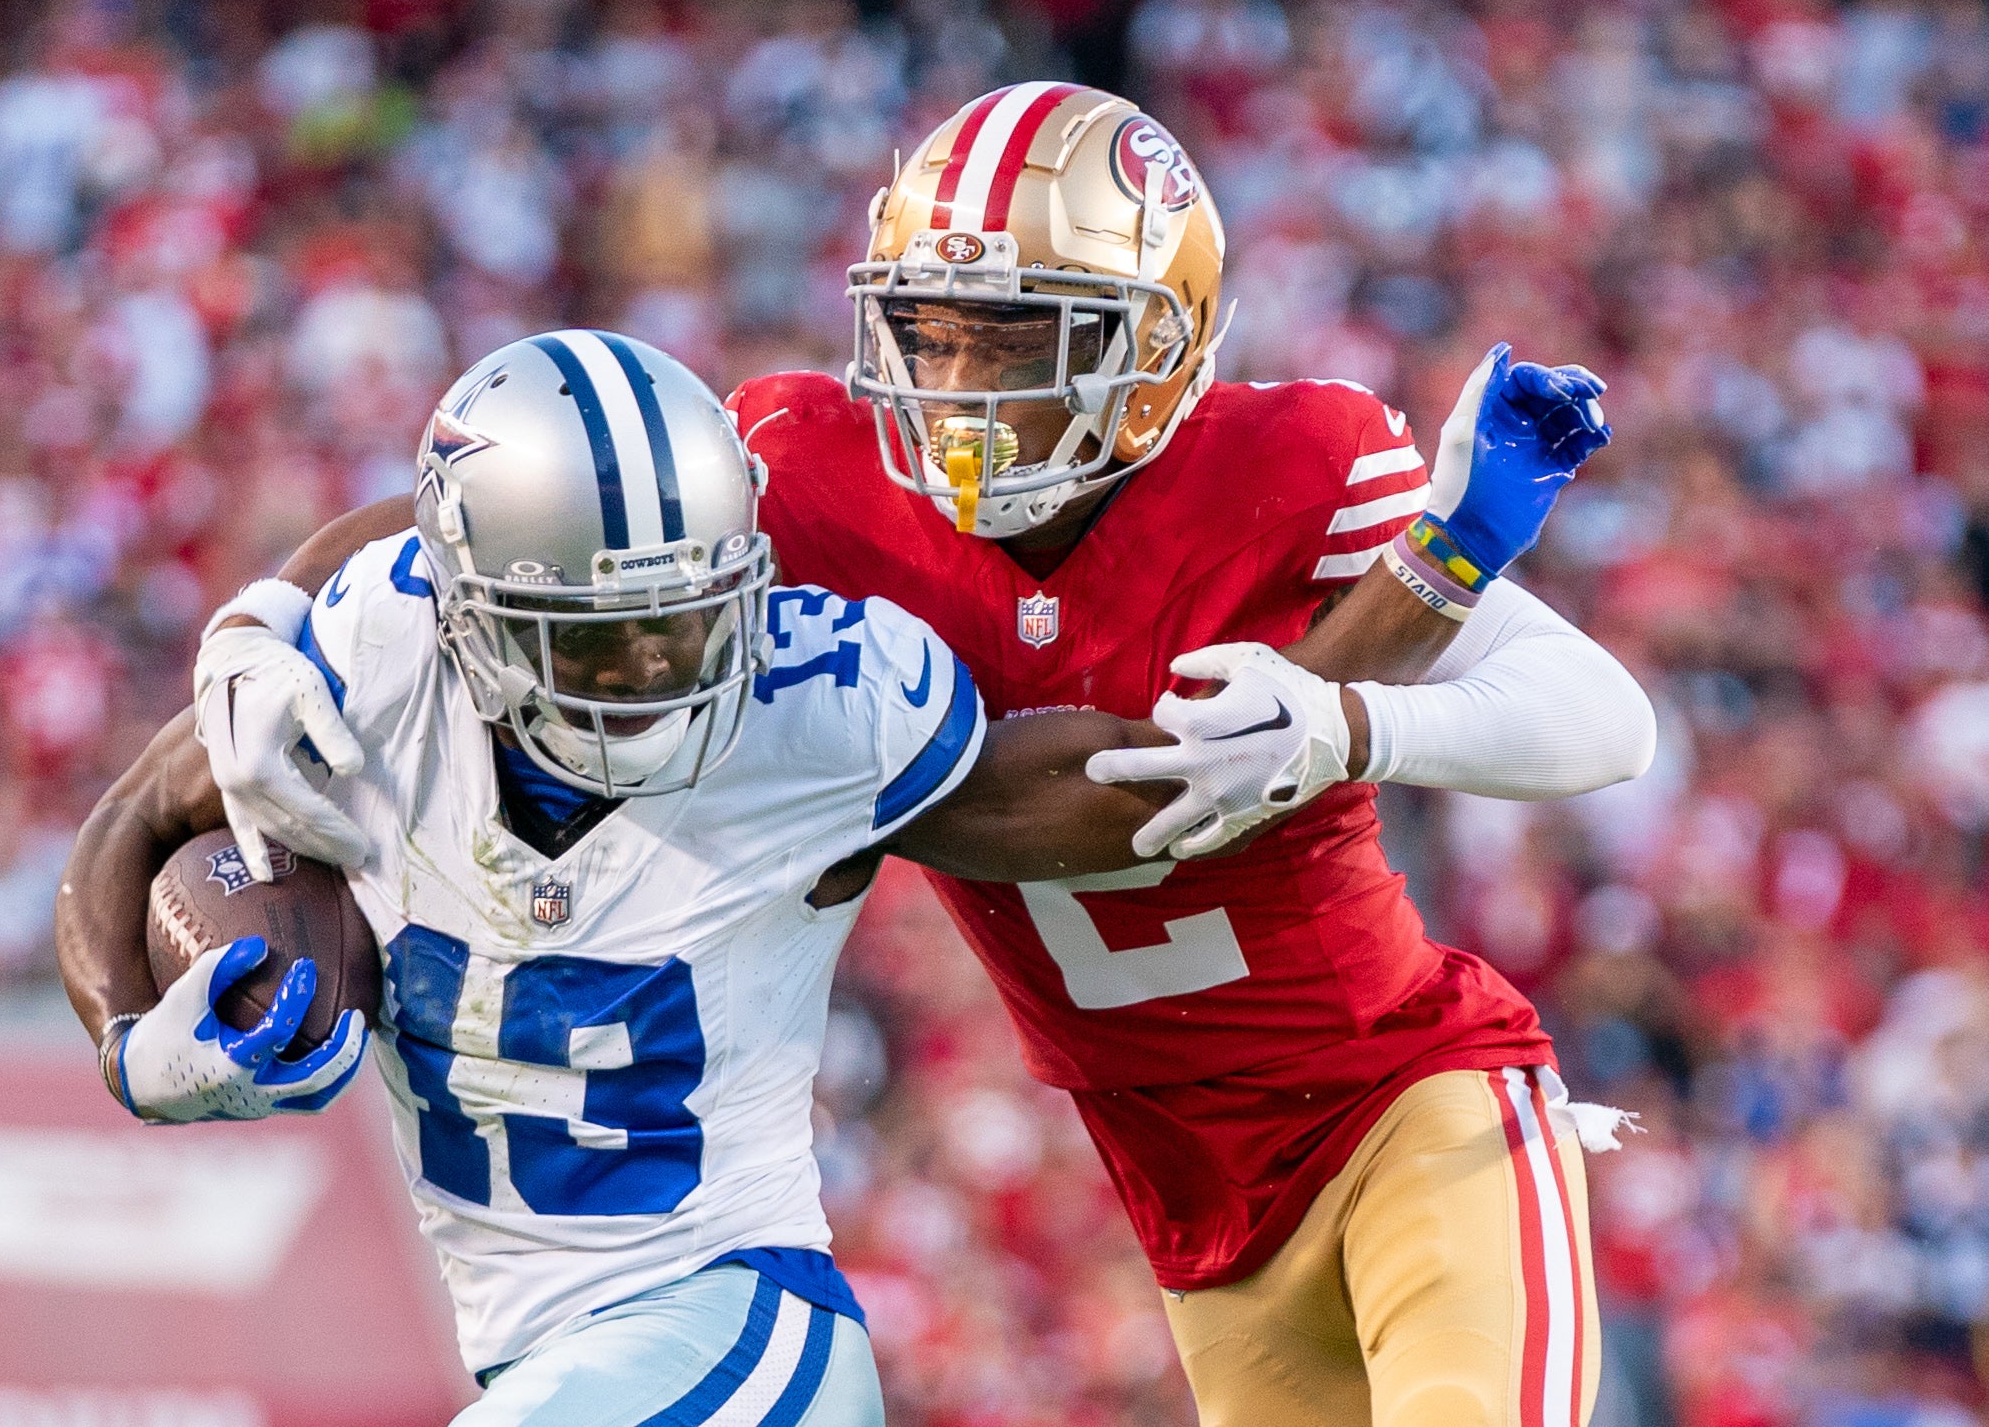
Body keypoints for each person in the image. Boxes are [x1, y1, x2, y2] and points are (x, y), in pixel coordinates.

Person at [170, 87, 1657, 1426]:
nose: (956, 389)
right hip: (1195, 1201)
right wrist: (274, 609)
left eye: (1014, 339)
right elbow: (527, 503)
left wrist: (1354, 718)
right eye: (931, 330)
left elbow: (1603, 719)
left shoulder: (1291, 466)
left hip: (1408, 1103)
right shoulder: (812, 485)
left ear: (1157, 346)